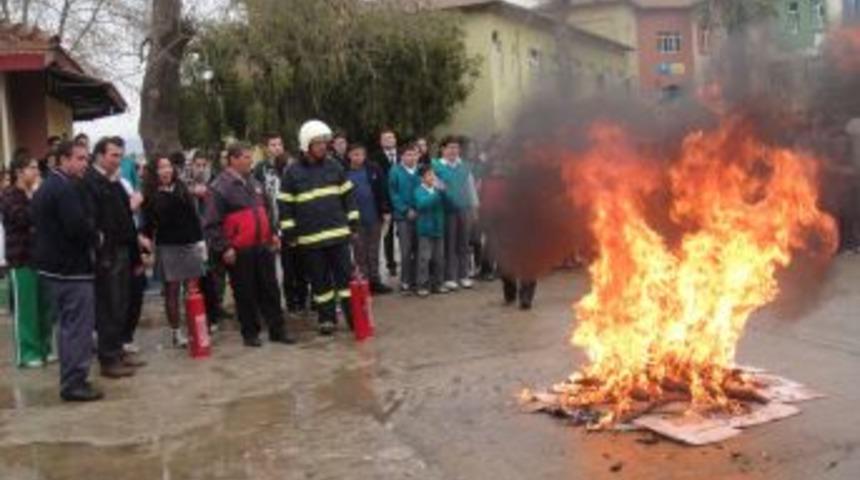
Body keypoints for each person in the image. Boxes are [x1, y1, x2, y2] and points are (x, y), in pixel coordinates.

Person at [32, 141, 102, 401]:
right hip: (71, 271)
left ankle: (71, 378)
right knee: (77, 328)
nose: (85, 163)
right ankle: (74, 382)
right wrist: (97, 237)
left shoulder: (47, 186)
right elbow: (76, 227)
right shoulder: (64, 189)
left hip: (54, 270)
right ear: (63, 160)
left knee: (66, 328)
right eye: (80, 159)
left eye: (86, 159)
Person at [204, 143, 292, 347]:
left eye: (249, 157)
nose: (249, 161)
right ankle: (250, 333)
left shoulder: (254, 182)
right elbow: (211, 223)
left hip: (262, 245)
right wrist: (224, 247)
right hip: (239, 249)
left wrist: (273, 233)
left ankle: (277, 330)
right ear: (232, 160)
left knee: (271, 289)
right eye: (245, 157)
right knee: (245, 292)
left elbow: (267, 210)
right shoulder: (219, 187)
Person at [280, 120, 359, 335]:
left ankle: (354, 318)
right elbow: (284, 205)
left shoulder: (335, 166)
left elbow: (348, 195)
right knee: (320, 282)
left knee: (345, 280)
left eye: (325, 142)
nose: (324, 146)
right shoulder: (292, 173)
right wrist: (290, 232)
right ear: (306, 145)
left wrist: (353, 221)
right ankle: (327, 319)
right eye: (318, 143)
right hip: (310, 239)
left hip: (338, 235)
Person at [82, 137, 146, 379]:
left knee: (121, 304)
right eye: (113, 155)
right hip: (108, 253)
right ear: (99, 155)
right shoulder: (93, 181)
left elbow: (124, 216)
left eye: (120, 155)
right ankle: (109, 358)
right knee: (109, 306)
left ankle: (117, 351)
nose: (118, 160)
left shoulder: (114, 180)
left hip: (124, 249)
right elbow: (102, 218)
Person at [142, 155, 208, 347]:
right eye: (161, 167)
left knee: (192, 290)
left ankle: (194, 329)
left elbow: (193, 217)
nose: (166, 170)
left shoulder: (181, 188)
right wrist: (145, 245)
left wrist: (200, 242)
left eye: (168, 166)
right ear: (155, 172)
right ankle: (176, 333)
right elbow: (147, 224)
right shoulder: (150, 194)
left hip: (189, 244)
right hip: (168, 247)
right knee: (172, 291)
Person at [2, 155, 53, 368]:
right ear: (20, 172)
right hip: (21, 258)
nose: (37, 172)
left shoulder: (37, 194)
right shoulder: (9, 196)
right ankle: (28, 352)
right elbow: (22, 218)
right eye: (32, 168)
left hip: (41, 258)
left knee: (44, 307)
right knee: (27, 309)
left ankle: (45, 348)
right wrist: (34, 199)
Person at [433, 136, 479, 291]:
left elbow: (471, 188)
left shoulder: (465, 166)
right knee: (449, 244)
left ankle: (464, 275)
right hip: (446, 211)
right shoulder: (436, 166)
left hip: (464, 209)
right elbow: (435, 187)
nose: (453, 151)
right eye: (450, 147)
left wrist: (474, 208)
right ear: (442, 149)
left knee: (464, 243)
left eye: (456, 148)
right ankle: (450, 277)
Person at [345, 143, 392, 294]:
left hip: (374, 217)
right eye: (355, 154)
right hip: (356, 221)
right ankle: (364, 283)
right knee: (360, 253)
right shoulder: (343, 173)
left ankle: (375, 281)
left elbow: (382, 190)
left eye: (361, 154)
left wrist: (385, 210)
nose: (359, 158)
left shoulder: (373, 169)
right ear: (349, 155)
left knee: (374, 251)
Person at [388, 143, 421, 294]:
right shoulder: (395, 171)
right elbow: (393, 194)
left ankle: (417, 279)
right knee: (406, 250)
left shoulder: (421, 170)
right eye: (408, 154)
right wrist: (405, 210)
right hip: (403, 217)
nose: (411, 157)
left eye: (414, 154)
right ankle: (405, 281)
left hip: (421, 214)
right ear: (401, 156)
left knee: (419, 248)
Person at [414, 164, 448, 297]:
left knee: (439, 258)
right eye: (429, 175)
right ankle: (422, 285)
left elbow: (447, 202)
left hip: (438, 229)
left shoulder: (438, 190)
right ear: (422, 178)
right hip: (425, 230)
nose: (432, 177)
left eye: (433, 175)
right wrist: (437, 193)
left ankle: (438, 284)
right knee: (424, 258)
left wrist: (445, 192)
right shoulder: (419, 190)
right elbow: (422, 205)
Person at [371, 128, 399, 277]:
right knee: (388, 235)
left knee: (404, 232)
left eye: (391, 137)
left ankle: (408, 260)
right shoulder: (375, 158)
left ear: (395, 140)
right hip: (386, 201)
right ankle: (391, 264)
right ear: (381, 142)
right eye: (385, 138)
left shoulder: (403, 154)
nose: (389, 140)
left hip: (402, 200)